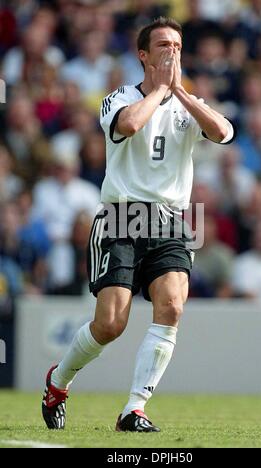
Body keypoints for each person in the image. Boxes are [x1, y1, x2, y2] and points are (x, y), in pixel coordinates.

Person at [42, 17, 235, 432]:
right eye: (164, 45)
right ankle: (58, 382)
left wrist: (179, 91)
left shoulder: (188, 103)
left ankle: (135, 409)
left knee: (172, 307)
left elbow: (222, 131)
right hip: (121, 217)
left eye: (178, 46)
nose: (172, 52)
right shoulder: (118, 98)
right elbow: (128, 126)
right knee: (111, 324)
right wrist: (163, 89)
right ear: (143, 55)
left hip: (169, 220)